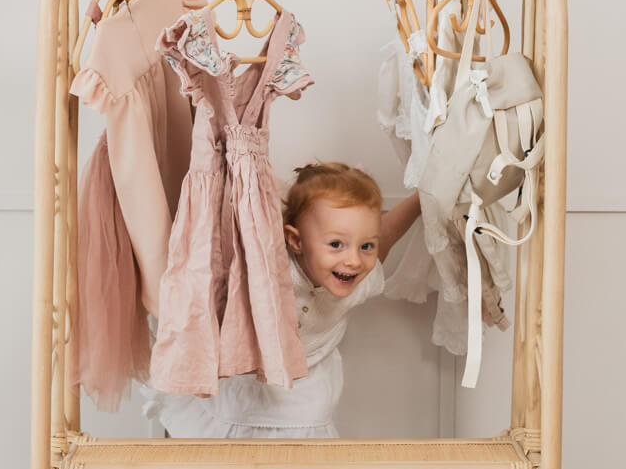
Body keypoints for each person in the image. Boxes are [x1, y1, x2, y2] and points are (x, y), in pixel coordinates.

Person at [142, 162, 421, 437]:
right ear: (296, 242)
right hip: (239, 393)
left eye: (365, 246)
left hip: (304, 403)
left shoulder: (361, 279)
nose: (354, 260)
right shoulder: (273, 267)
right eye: (336, 244)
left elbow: (388, 234)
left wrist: (422, 199)